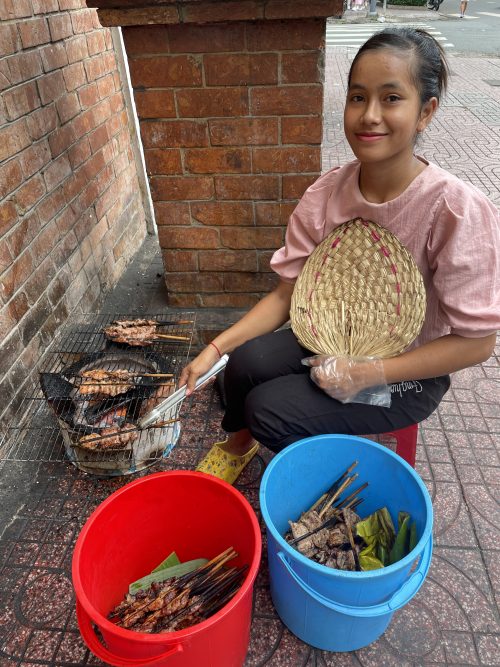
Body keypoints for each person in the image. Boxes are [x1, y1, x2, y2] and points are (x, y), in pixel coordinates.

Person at [179, 28, 500, 485]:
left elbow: (478, 343)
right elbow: (285, 295)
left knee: (267, 409)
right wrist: (215, 349)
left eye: (391, 98)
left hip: (407, 376)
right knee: (246, 364)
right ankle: (238, 443)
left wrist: (367, 373)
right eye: (357, 97)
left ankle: (320, 478)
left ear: (426, 111)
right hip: (330, 338)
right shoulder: (328, 191)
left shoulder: (456, 210)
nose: (370, 116)